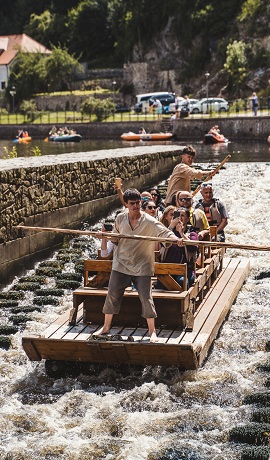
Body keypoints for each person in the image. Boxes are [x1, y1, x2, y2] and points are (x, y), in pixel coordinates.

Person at [94, 188, 181, 342]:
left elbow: (165, 233)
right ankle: (106, 327)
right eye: (132, 203)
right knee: (112, 294)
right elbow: (115, 239)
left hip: (142, 264)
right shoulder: (120, 219)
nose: (136, 206)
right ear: (126, 204)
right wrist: (104, 237)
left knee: (146, 298)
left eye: (138, 203)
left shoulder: (149, 221)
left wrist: (176, 239)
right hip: (121, 263)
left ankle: (152, 332)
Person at [158, 207, 198, 289]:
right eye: (177, 215)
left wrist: (181, 233)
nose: (180, 218)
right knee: (161, 284)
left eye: (182, 216)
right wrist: (171, 227)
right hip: (168, 268)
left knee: (182, 281)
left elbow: (193, 247)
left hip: (185, 270)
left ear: (187, 219)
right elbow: (162, 243)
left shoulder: (192, 233)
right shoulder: (167, 232)